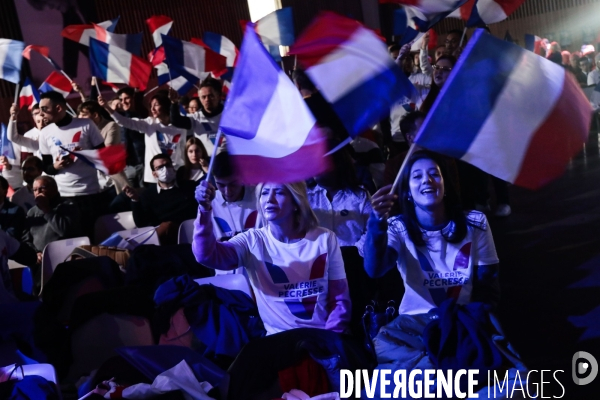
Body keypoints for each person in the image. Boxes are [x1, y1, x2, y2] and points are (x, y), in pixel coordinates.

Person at [193, 179, 351, 335]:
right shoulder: (252, 241)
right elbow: (206, 256)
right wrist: (204, 209)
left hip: (323, 337)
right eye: (265, 193)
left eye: (280, 192)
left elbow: (339, 299)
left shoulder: (325, 238)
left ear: (296, 203)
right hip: (278, 342)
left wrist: (331, 340)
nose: (269, 199)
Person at [362, 150, 500, 315]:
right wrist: (376, 223)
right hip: (415, 320)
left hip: (464, 317)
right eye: (417, 176)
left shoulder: (475, 221)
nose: (426, 180)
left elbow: (487, 280)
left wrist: (472, 319)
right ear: (407, 192)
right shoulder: (397, 227)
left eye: (434, 174)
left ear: (445, 185)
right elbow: (374, 270)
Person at [38, 90, 106, 235]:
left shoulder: (86, 124)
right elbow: (47, 167)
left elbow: (104, 155)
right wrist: (56, 166)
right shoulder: (45, 133)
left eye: (44, 109)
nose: (41, 114)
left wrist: (84, 154)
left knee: (95, 235)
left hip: (90, 192)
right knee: (73, 237)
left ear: (58, 108)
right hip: (64, 195)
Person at [99, 93, 186, 185]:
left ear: (166, 105)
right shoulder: (149, 123)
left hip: (175, 175)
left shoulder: (180, 127)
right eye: (150, 106)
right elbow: (124, 121)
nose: (152, 109)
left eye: (156, 105)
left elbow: (183, 150)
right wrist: (106, 107)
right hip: (154, 178)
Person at [23, 176, 82, 289]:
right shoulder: (32, 212)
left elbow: (64, 230)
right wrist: (35, 252)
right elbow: (26, 239)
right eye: (35, 190)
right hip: (40, 260)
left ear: (54, 188)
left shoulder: (68, 205)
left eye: (42, 188)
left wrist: (47, 210)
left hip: (64, 257)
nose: (38, 192)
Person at [307, 143, 372, 247]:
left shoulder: (360, 196)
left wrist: (354, 251)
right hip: (317, 259)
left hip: (354, 258)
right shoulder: (307, 197)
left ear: (338, 165)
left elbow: (371, 230)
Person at [125, 154, 198, 244]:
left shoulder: (190, 187)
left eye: (167, 165)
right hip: (163, 240)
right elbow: (141, 224)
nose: (165, 169)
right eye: (160, 167)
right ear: (154, 174)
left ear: (173, 167)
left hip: (191, 234)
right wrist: (135, 200)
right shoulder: (147, 195)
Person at [169, 77, 224, 156]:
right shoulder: (196, 118)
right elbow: (176, 121)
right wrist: (174, 103)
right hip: (207, 163)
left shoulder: (230, 115)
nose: (207, 99)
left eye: (211, 96)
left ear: (218, 96)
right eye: (203, 97)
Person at [209, 151, 257, 242]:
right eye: (221, 185)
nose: (227, 191)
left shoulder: (259, 197)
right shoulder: (209, 203)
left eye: (233, 184)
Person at [116, 87, 145, 188]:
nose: (123, 102)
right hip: (127, 165)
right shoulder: (118, 118)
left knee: (145, 194)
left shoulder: (143, 116)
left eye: (126, 98)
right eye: (121, 99)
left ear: (133, 98)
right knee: (132, 197)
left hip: (142, 162)